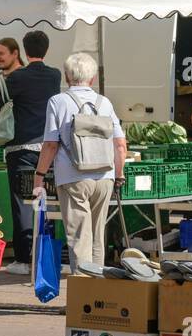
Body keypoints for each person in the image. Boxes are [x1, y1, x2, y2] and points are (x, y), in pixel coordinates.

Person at [34, 53, 127, 271]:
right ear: (92, 78)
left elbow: (50, 145)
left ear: (66, 76)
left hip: (73, 176)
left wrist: (39, 176)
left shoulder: (57, 102)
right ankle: (97, 295)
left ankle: (82, 295)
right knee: (97, 237)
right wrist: (119, 174)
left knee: (78, 237)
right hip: (105, 176)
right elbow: (120, 145)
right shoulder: (104, 102)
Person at [0, 29, 61, 274]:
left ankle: (23, 258)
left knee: (22, 203)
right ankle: (44, 253)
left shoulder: (15, 79)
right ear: (45, 50)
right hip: (48, 146)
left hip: (21, 147)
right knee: (47, 200)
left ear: (24, 52)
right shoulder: (54, 75)